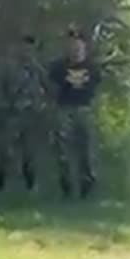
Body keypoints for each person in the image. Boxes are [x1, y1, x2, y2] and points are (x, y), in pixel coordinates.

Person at [48, 26, 104, 198]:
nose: (75, 49)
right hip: (65, 110)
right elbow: (51, 87)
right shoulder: (58, 67)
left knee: (86, 150)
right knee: (63, 150)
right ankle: (66, 185)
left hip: (85, 110)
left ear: (84, 48)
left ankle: (87, 183)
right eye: (71, 46)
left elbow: (98, 90)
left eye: (78, 47)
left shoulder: (92, 68)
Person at [0, 34, 48, 191]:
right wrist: (3, 106)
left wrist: (43, 105)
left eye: (30, 48)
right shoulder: (8, 67)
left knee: (30, 154)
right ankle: (0, 182)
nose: (27, 51)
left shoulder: (37, 68)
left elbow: (48, 86)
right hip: (12, 114)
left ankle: (30, 185)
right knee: (5, 151)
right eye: (24, 47)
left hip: (31, 115)